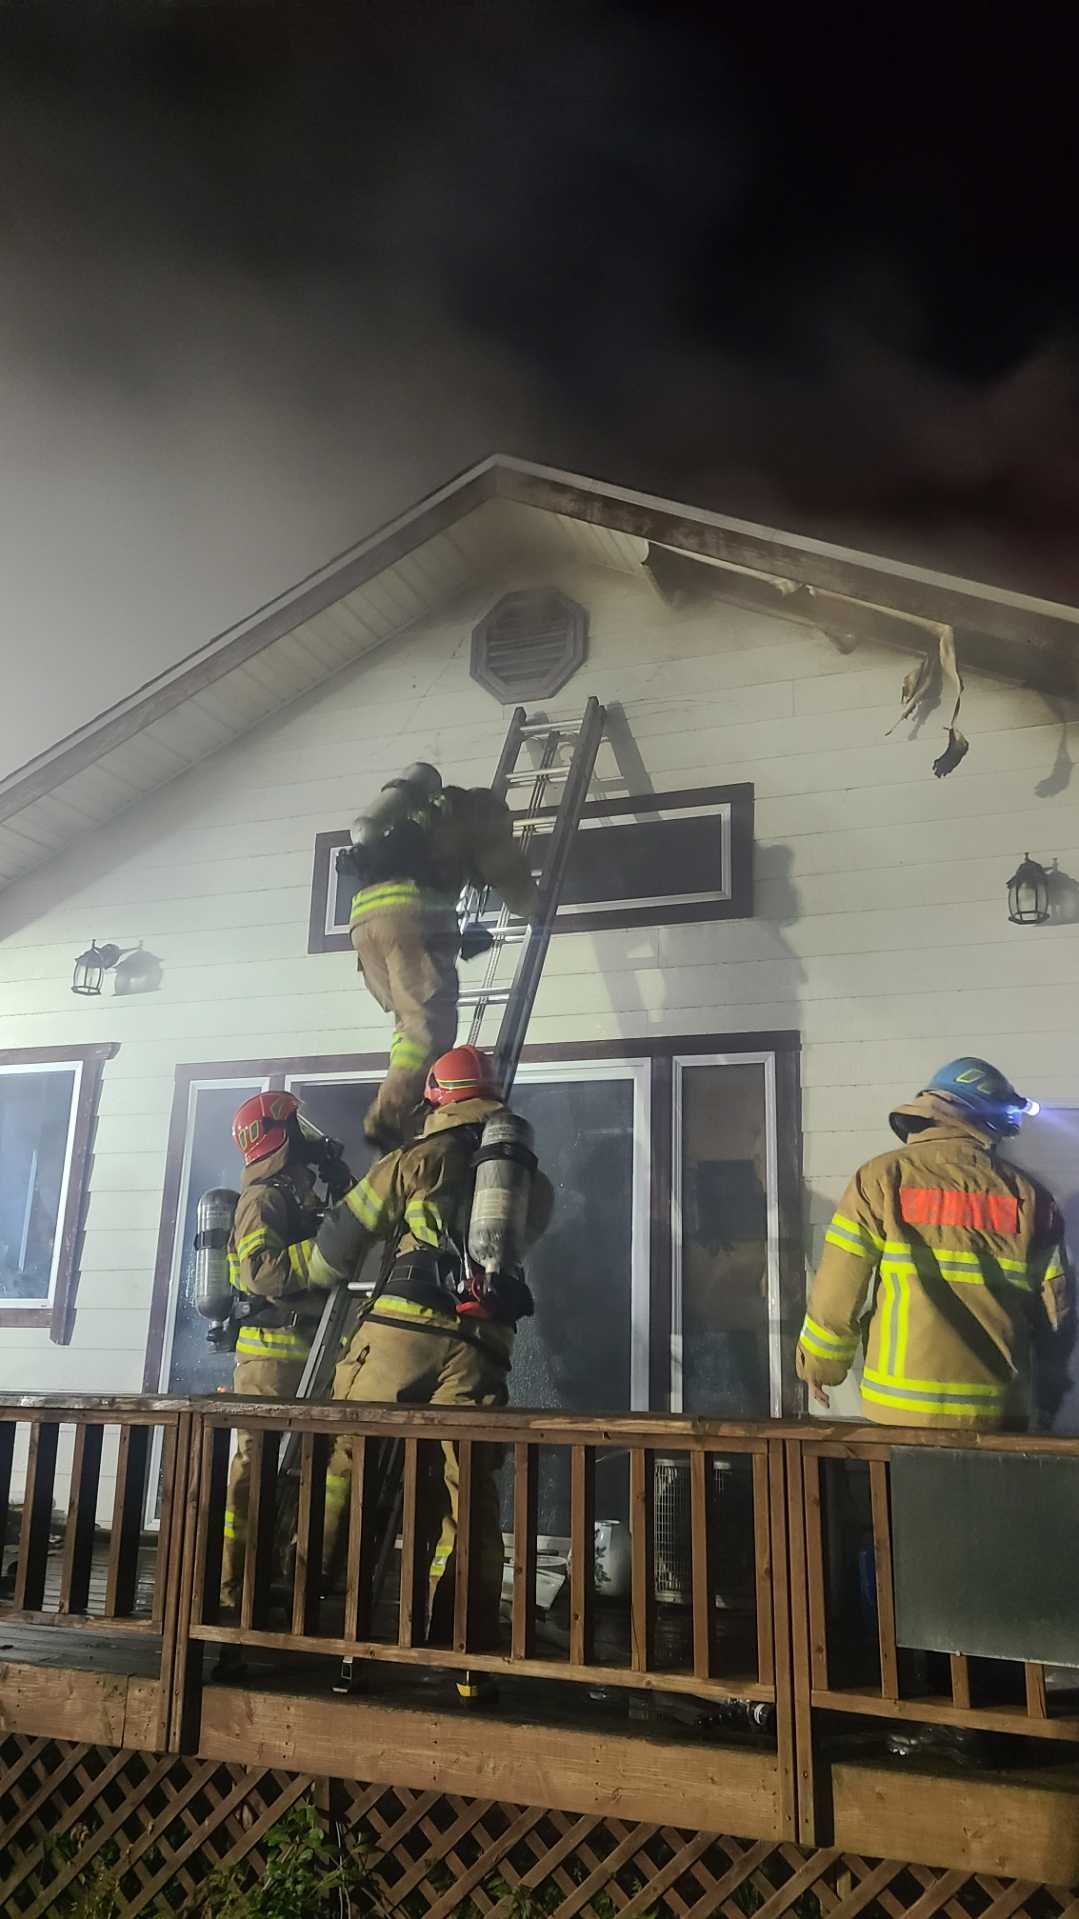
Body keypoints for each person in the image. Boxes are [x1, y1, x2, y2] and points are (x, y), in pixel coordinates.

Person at [308, 1045, 554, 1652]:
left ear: (438, 1099)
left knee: (350, 1456)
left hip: (401, 1334)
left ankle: (309, 1596)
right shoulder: (529, 1178)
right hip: (481, 1345)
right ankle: (461, 1634)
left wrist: (293, 1278)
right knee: (467, 1487)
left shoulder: (417, 1158)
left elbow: (337, 1246)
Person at [797, 1057, 1069, 1429]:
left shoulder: (882, 1178)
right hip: (998, 1411)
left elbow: (838, 1288)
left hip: (899, 1407)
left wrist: (819, 1366)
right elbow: (1056, 1308)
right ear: (990, 1122)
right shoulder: (1030, 1197)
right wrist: (1050, 1395)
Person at [339, 763, 538, 1149]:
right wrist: (536, 907)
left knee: (408, 1026)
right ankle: (389, 1122)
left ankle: (411, 1110)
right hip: (410, 914)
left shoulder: (423, 814)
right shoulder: (482, 815)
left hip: (363, 920)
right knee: (429, 1027)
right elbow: (512, 882)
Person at [221, 1090, 352, 1608]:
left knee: (307, 1471)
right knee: (256, 1469)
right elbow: (262, 1272)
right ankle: (233, 1588)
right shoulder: (263, 1199)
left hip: (310, 1356)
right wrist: (323, 1254)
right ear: (280, 1138)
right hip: (271, 1360)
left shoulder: (296, 1195)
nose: (308, 1137)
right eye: (298, 1128)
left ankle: (283, 1580)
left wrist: (342, 1184)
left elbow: (347, 1234)